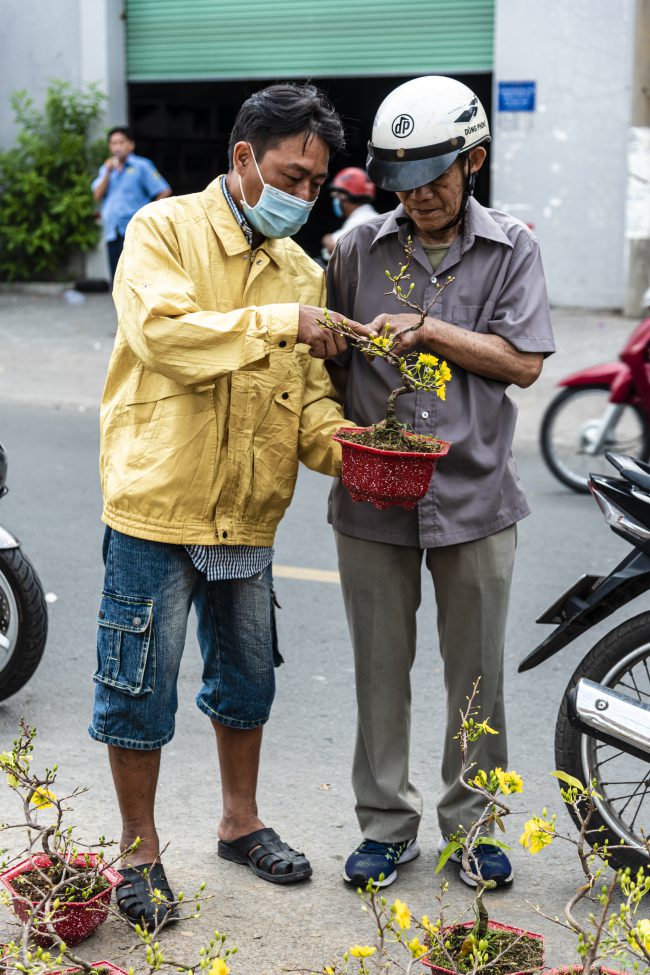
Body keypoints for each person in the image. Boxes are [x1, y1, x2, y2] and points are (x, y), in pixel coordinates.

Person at [88, 83, 362, 930]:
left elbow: (310, 401)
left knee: (245, 684)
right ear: (244, 159)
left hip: (249, 512)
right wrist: (282, 320)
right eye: (293, 174)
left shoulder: (302, 268)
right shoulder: (162, 229)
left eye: (318, 183)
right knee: (137, 688)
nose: (305, 195)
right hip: (157, 502)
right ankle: (139, 852)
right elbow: (162, 336)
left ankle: (239, 822)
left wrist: (357, 448)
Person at [326, 75, 555, 890]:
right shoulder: (355, 249)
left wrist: (430, 329)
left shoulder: (512, 247)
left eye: (434, 176)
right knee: (380, 669)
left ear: (474, 162)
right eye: (402, 180)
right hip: (371, 497)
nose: (417, 195)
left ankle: (474, 827)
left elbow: (523, 362)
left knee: (478, 676)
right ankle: (386, 826)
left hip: (477, 497)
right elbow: (330, 357)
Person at [91, 126, 172, 283]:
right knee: (117, 278)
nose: (117, 147)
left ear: (131, 145)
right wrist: (107, 172)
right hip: (112, 230)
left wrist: (147, 214)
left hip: (133, 229)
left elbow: (164, 191)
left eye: (121, 142)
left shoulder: (141, 166)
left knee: (135, 277)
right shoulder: (107, 169)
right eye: (113, 143)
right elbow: (97, 195)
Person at [321, 166, 378, 260]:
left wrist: (326, 239)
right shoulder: (374, 217)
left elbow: (335, 247)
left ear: (344, 198)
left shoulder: (361, 221)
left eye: (336, 196)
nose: (335, 200)